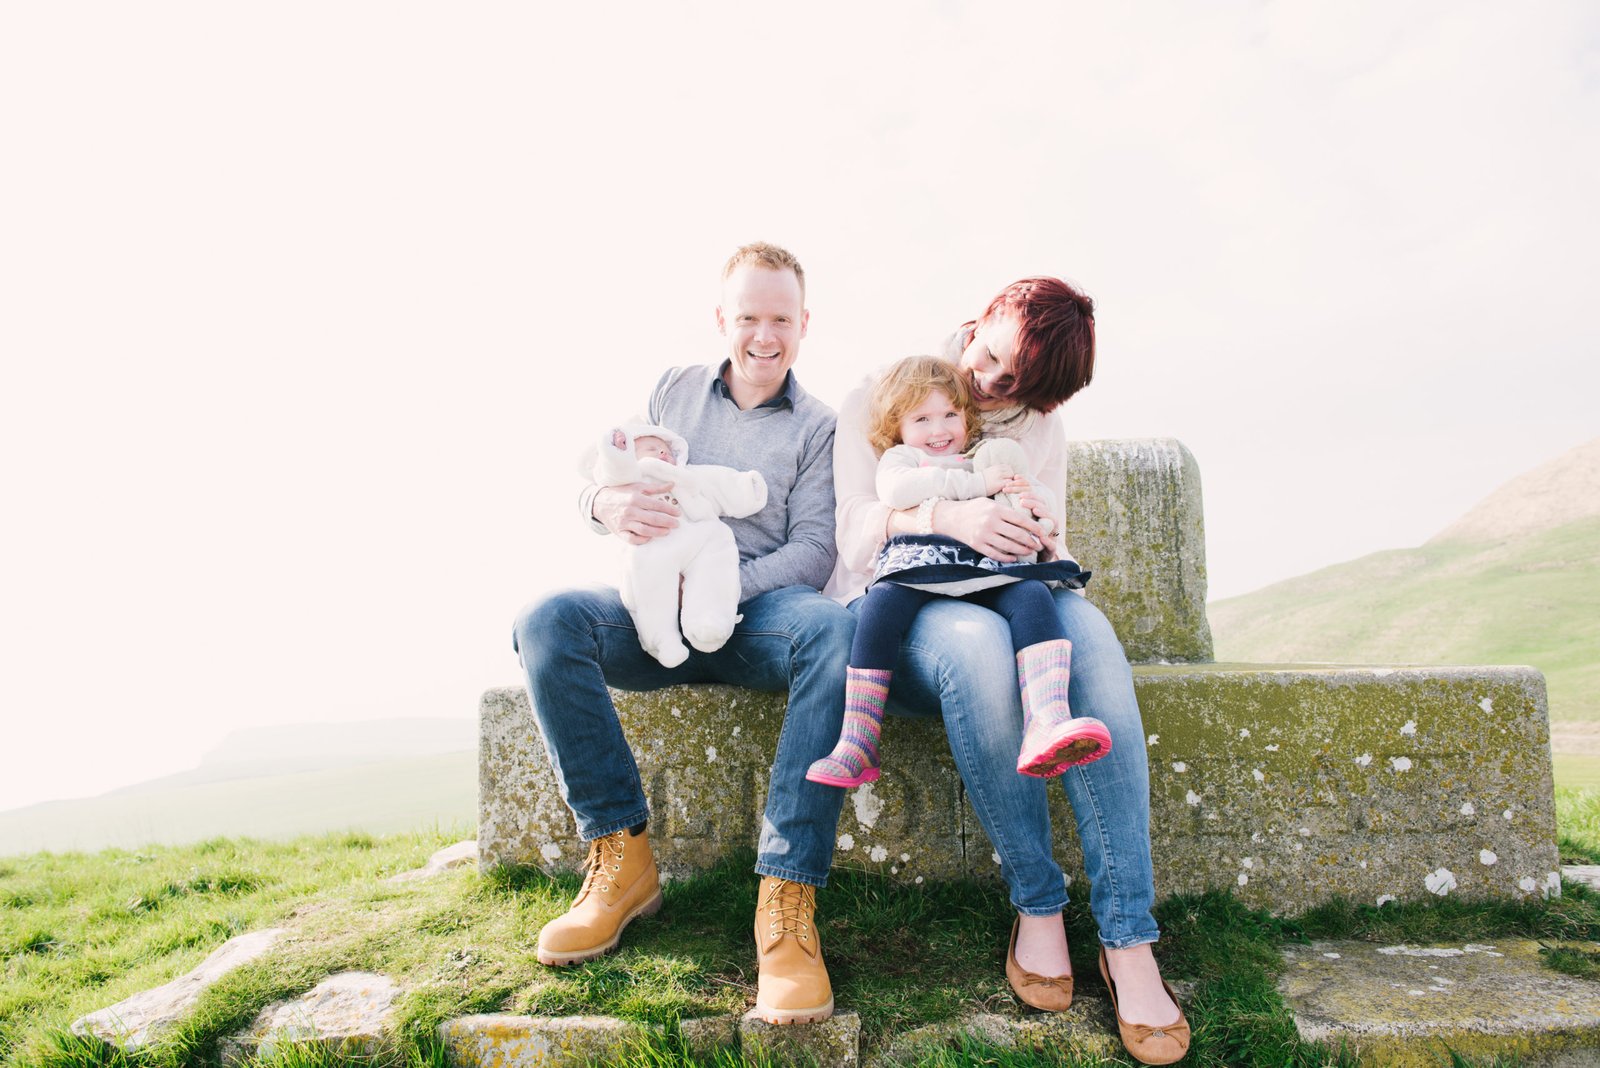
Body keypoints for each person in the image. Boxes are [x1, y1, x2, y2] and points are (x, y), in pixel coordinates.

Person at [823, 279, 1190, 1065]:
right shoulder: (882, 396)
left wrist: (1021, 523)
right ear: (981, 317)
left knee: (1096, 652)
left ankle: (1128, 938)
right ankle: (1039, 902)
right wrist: (945, 515)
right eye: (988, 357)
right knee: (978, 655)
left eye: (1015, 384)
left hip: (1017, 583)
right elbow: (854, 532)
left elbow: (1044, 525)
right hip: (908, 595)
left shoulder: (1037, 426)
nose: (989, 383)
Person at [512, 242, 854, 1026]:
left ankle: (786, 899)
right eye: (748, 318)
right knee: (547, 620)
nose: (763, 336)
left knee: (831, 631)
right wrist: (605, 507)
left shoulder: (821, 428)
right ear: (721, 320)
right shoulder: (671, 389)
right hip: (656, 611)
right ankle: (622, 858)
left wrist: (722, 592)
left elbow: (812, 551)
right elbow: (608, 474)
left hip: (756, 617)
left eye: (781, 320)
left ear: (805, 325)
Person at [805, 356, 1111, 789]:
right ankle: (858, 738)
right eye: (922, 418)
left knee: (1033, 597)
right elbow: (895, 492)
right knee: (882, 605)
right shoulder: (902, 459)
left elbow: (1028, 501)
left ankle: (1047, 717)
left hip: (983, 571)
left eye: (950, 414)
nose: (939, 430)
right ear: (898, 426)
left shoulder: (978, 460)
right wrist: (976, 486)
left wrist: (1041, 517)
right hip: (920, 567)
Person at [586, 419, 768, 668]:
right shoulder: (631, 479)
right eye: (650, 448)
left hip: (700, 539)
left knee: (716, 562)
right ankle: (661, 639)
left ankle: (709, 623)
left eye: (665, 449)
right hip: (653, 543)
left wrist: (748, 489)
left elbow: (718, 483)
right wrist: (615, 450)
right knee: (649, 585)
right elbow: (612, 472)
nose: (661, 452)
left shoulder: (688, 474)